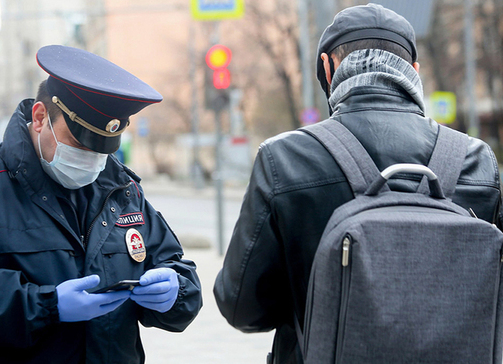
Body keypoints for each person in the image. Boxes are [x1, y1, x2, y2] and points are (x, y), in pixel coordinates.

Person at [213, 4, 502, 364]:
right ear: (414, 72)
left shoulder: (285, 157)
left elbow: (241, 307)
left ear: (327, 67)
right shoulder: (476, 160)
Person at [0, 45, 202, 363]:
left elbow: (177, 270)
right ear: (40, 117)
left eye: (102, 151)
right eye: (78, 144)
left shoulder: (123, 190)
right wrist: (47, 305)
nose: (91, 160)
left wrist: (175, 292)